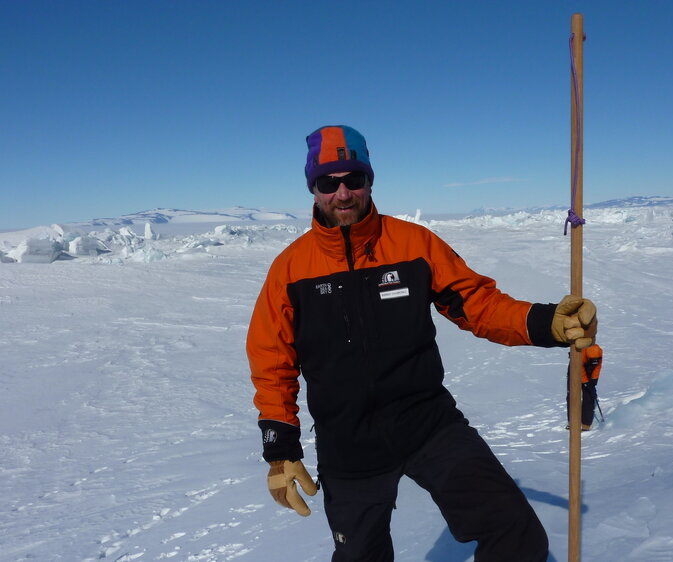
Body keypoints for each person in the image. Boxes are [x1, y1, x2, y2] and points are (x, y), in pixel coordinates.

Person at [247, 125, 598, 561]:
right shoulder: (290, 270)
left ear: (369, 181)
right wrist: (279, 449)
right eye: (328, 182)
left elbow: (478, 304)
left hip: (428, 424)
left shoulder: (414, 245)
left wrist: (545, 322)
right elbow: (272, 358)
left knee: (514, 530)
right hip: (348, 444)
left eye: (353, 179)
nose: (343, 193)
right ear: (312, 189)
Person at [566, 343, 603, 430]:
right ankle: (572, 422)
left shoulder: (598, 353)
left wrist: (594, 380)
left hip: (588, 367)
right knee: (573, 395)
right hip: (576, 367)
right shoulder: (580, 354)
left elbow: (597, 367)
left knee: (589, 396)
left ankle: (586, 423)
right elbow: (580, 369)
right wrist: (586, 382)